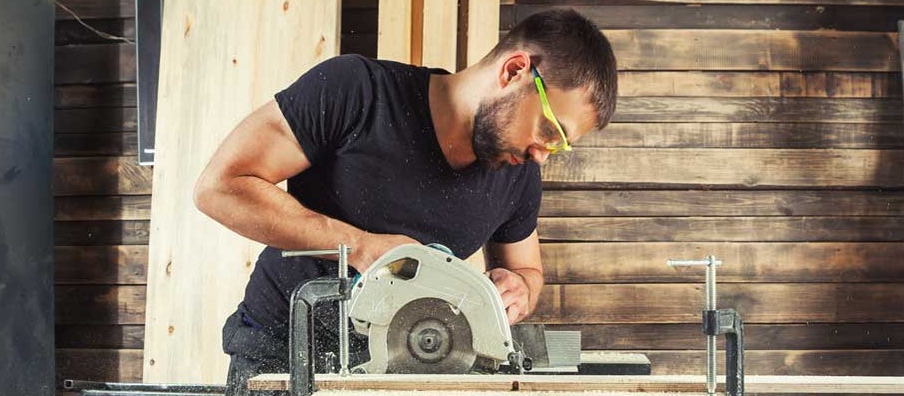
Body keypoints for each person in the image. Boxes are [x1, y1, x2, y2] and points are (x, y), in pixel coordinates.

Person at [193, 8, 617, 395]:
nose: (544, 153)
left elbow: (526, 269)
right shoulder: (357, 91)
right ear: (515, 70)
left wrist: (520, 288)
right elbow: (220, 186)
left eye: (560, 145)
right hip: (284, 353)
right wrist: (361, 247)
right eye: (550, 130)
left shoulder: (518, 174)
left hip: (413, 367)